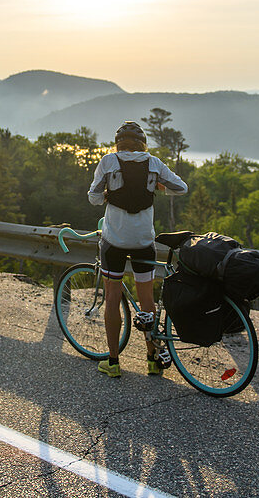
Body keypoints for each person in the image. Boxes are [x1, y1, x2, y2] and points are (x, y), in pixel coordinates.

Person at [87, 120, 188, 377]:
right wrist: (158, 186)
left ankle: (113, 362)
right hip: (144, 242)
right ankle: (152, 359)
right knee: (146, 300)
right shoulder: (154, 163)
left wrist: (109, 195)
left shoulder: (108, 162)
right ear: (142, 144)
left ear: (118, 145)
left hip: (115, 242)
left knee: (111, 298)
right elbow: (181, 188)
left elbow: (93, 197)